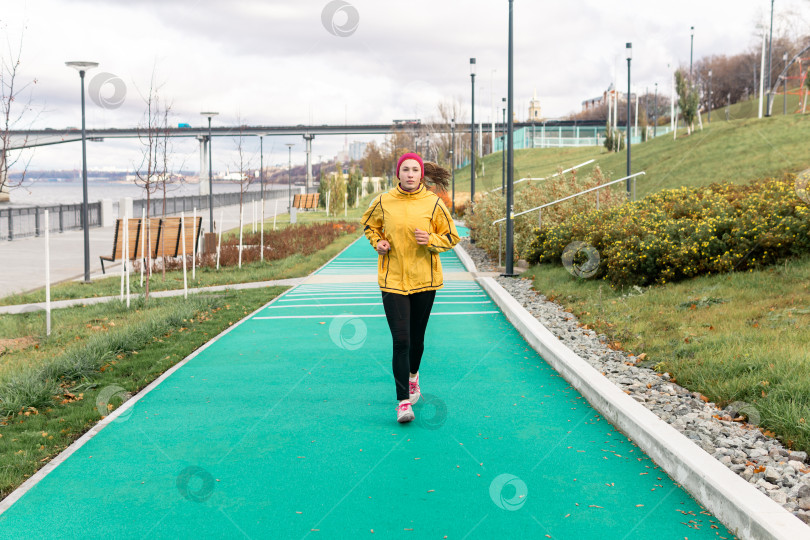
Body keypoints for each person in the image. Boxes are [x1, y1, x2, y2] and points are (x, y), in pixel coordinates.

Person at [360, 152, 460, 423]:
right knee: (401, 340)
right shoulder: (383, 201)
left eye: (415, 169)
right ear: (398, 174)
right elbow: (369, 226)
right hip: (393, 281)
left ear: (421, 174)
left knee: (416, 339)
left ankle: (414, 376)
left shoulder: (433, 203)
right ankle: (403, 402)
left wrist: (431, 239)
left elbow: (452, 236)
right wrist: (377, 242)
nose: (410, 174)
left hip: (424, 280)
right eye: (405, 169)